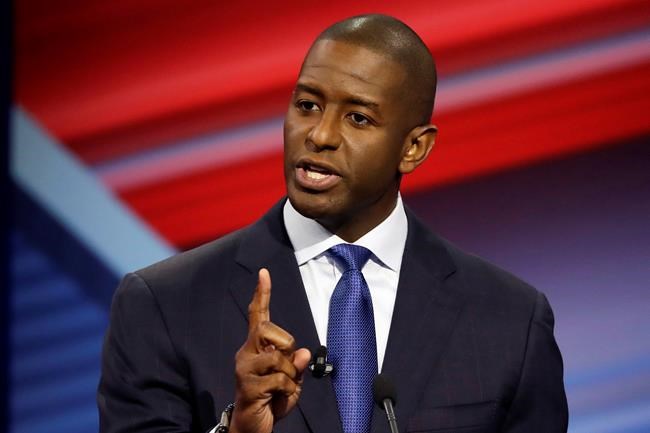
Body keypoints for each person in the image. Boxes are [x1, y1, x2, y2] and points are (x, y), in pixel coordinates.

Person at [98, 14, 568, 433]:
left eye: (358, 118)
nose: (320, 135)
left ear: (413, 148)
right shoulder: (164, 305)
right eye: (307, 105)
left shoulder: (510, 320)